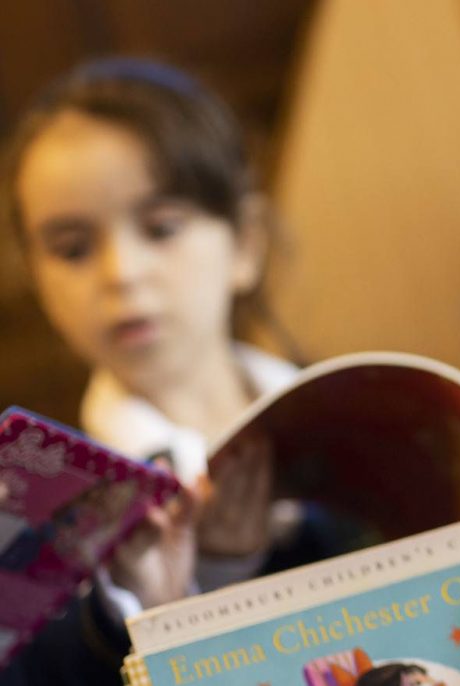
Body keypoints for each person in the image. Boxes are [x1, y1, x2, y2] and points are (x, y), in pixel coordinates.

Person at [0, 58, 293, 683]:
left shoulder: (361, 408)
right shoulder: (38, 514)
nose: (120, 273)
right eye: (72, 247)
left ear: (245, 243)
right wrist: (154, 614)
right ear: (36, 276)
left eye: (161, 228)